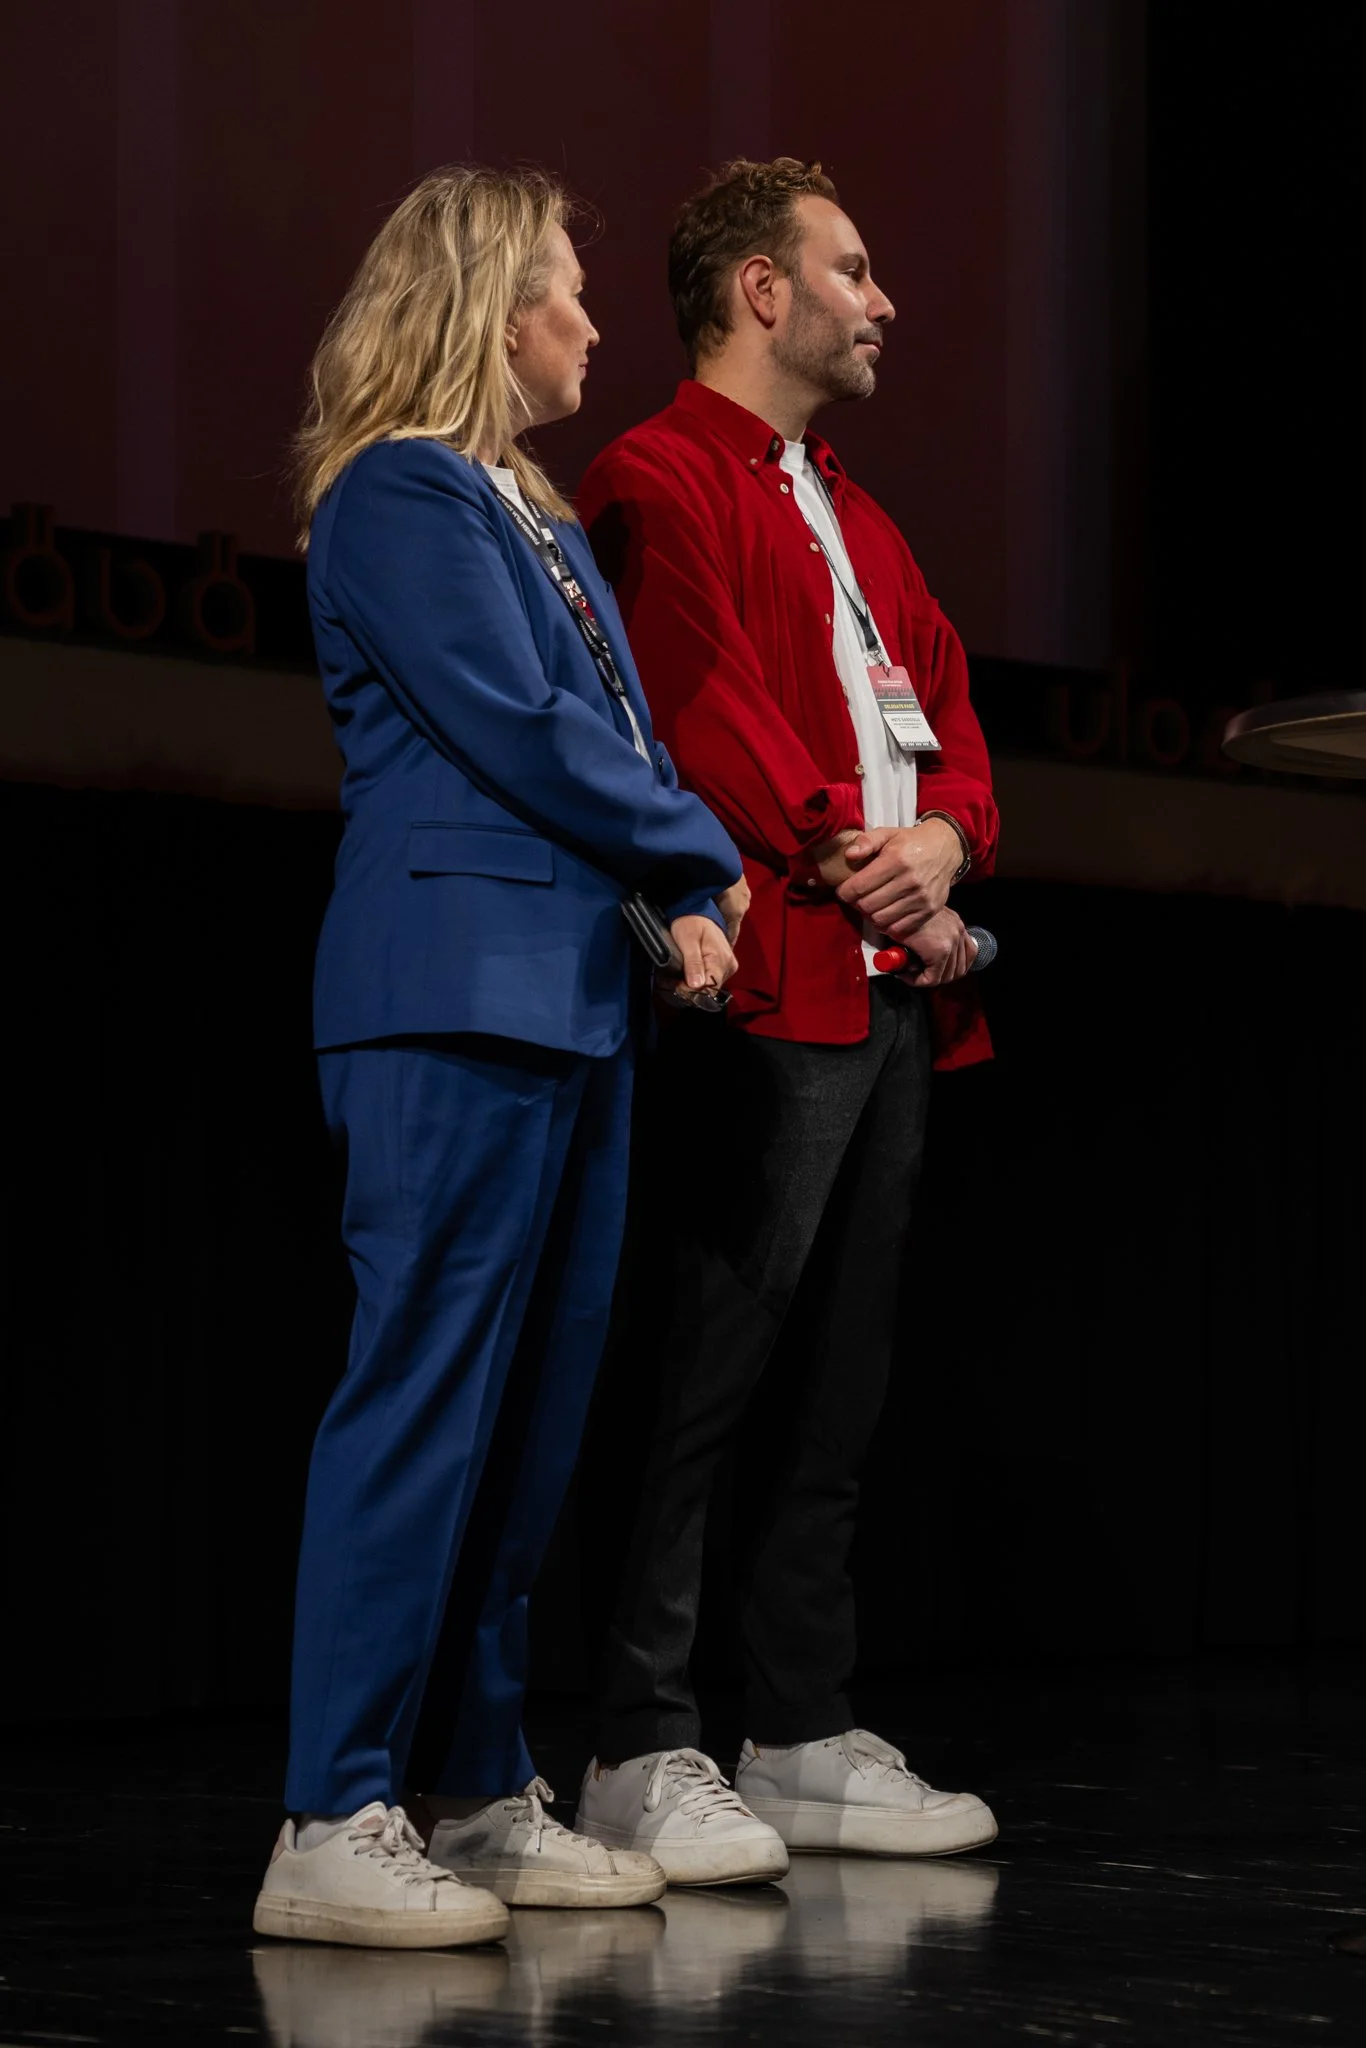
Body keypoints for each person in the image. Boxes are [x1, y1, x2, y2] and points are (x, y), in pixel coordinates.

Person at [253, 165, 746, 1949]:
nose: (594, 322)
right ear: (482, 303)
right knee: (423, 1405)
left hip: (570, 1000)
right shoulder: (398, 491)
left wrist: (661, 906)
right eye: (563, 288)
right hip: (446, 996)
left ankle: (469, 1786)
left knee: (531, 1427)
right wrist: (696, 853)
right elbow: (520, 728)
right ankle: (328, 1811)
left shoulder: (520, 508)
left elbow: (572, 744)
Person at [572, 158, 1000, 1883]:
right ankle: (636, 1736)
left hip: (893, 983)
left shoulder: (862, 515)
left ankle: (803, 1726)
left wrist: (947, 841)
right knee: (705, 1369)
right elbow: (691, 704)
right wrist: (860, 847)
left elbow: (953, 711)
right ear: (762, 291)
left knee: (843, 1376)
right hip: (768, 985)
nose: (882, 300)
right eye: (853, 267)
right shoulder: (655, 475)